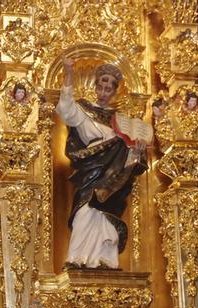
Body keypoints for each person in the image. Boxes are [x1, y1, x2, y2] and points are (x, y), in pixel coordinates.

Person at [55, 58, 151, 270]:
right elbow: (66, 109)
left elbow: (128, 157)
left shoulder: (120, 122)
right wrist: (69, 74)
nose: (104, 92)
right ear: (95, 87)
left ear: (114, 92)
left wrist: (137, 150)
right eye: (101, 87)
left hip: (113, 174)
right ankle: (77, 259)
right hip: (92, 169)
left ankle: (105, 260)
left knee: (106, 214)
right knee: (84, 211)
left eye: (109, 89)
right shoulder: (84, 110)